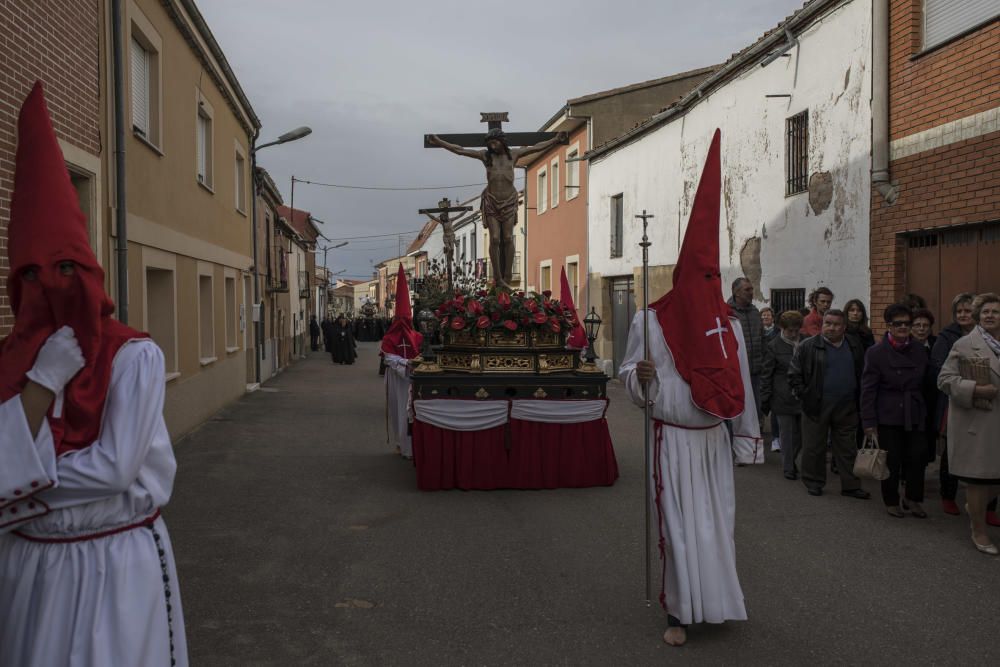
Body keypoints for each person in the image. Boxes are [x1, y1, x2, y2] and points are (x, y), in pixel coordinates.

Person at [0, 83, 187, 666]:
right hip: (26, 566)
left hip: (110, 565)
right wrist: (41, 383)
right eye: (31, 273)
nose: (48, 286)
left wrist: (18, 489)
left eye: (62, 269)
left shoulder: (134, 357)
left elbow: (114, 467)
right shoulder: (10, 362)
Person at [620, 130, 762, 647]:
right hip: (674, 439)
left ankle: (718, 603)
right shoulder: (651, 320)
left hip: (713, 441)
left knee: (716, 527)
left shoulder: (730, 327)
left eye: (712, 277)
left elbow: (741, 383)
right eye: (698, 276)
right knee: (680, 528)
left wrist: (746, 438)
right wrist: (641, 379)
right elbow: (628, 371)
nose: (706, 286)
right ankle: (679, 612)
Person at [428, 128, 566, 287]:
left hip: (508, 201)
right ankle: (498, 278)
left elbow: (536, 147)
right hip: (491, 201)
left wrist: (555, 139)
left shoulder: (513, 155)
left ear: (502, 141)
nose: (492, 146)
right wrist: (439, 141)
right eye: (490, 143)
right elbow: (460, 150)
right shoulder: (485, 156)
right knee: (494, 238)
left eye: (495, 142)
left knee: (507, 237)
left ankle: (507, 277)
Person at [937, 293, 1000, 554]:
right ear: (977, 316)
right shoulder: (964, 344)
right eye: (985, 311)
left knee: (995, 480)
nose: (990, 315)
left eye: (996, 312)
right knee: (980, 479)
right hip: (978, 424)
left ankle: (975, 509)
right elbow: (944, 380)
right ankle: (979, 531)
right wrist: (975, 389)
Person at [788, 309, 870, 499]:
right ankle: (814, 482)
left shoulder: (853, 344)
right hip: (816, 404)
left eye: (836, 324)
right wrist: (804, 396)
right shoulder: (808, 346)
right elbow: (794, 375)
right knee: (814, 447)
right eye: (828, 323)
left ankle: (851, 485)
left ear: (844, 327)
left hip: (847, 404)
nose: (831, 328)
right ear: (823, 324)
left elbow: (862, 371)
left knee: (847, 448)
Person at [860, 304, 930, 518]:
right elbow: (868, 389)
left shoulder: (920, 349)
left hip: (915, 411)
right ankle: (891, 500)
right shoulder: (876, 353)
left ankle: (913, 498)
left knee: (918, 458)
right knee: (892, 460)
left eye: (906, 323)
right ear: (888, 326)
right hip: (888, 412)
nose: (903, 327)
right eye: (897, 323)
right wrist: (869, 422)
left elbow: (927, 383)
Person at [381, 265, 423, 459]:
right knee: (398, 411)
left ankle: (411, 447)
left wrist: (413, 363)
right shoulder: (390, 338)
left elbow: (421, 353)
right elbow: (388, 357)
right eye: (402, 319)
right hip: (397, 378)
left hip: (412, 379)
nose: (405, 322)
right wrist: (406, 363)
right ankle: (400, 444)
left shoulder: (417, 336)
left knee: (410, 411)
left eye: (407, 318)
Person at [761, 310, 804, 479]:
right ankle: (788, 468)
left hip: (802, 396)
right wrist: (766, 398)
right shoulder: (773, 346)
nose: (793, 334)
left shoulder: (806, 342)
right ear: (781, 328)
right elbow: (766, 374)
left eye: (796, 330)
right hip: (782, 396)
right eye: (789, 330)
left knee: (801, 436)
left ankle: (790, 460)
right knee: (786, 435)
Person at [727, 277, 764, 418]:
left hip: (756, 372)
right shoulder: (727, 313)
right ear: (736, 292)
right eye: (747, 289)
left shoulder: (755, 312)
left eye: (751, 289)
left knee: (756, 410)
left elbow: (762, 339)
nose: (751, 292)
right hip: (737, 373)